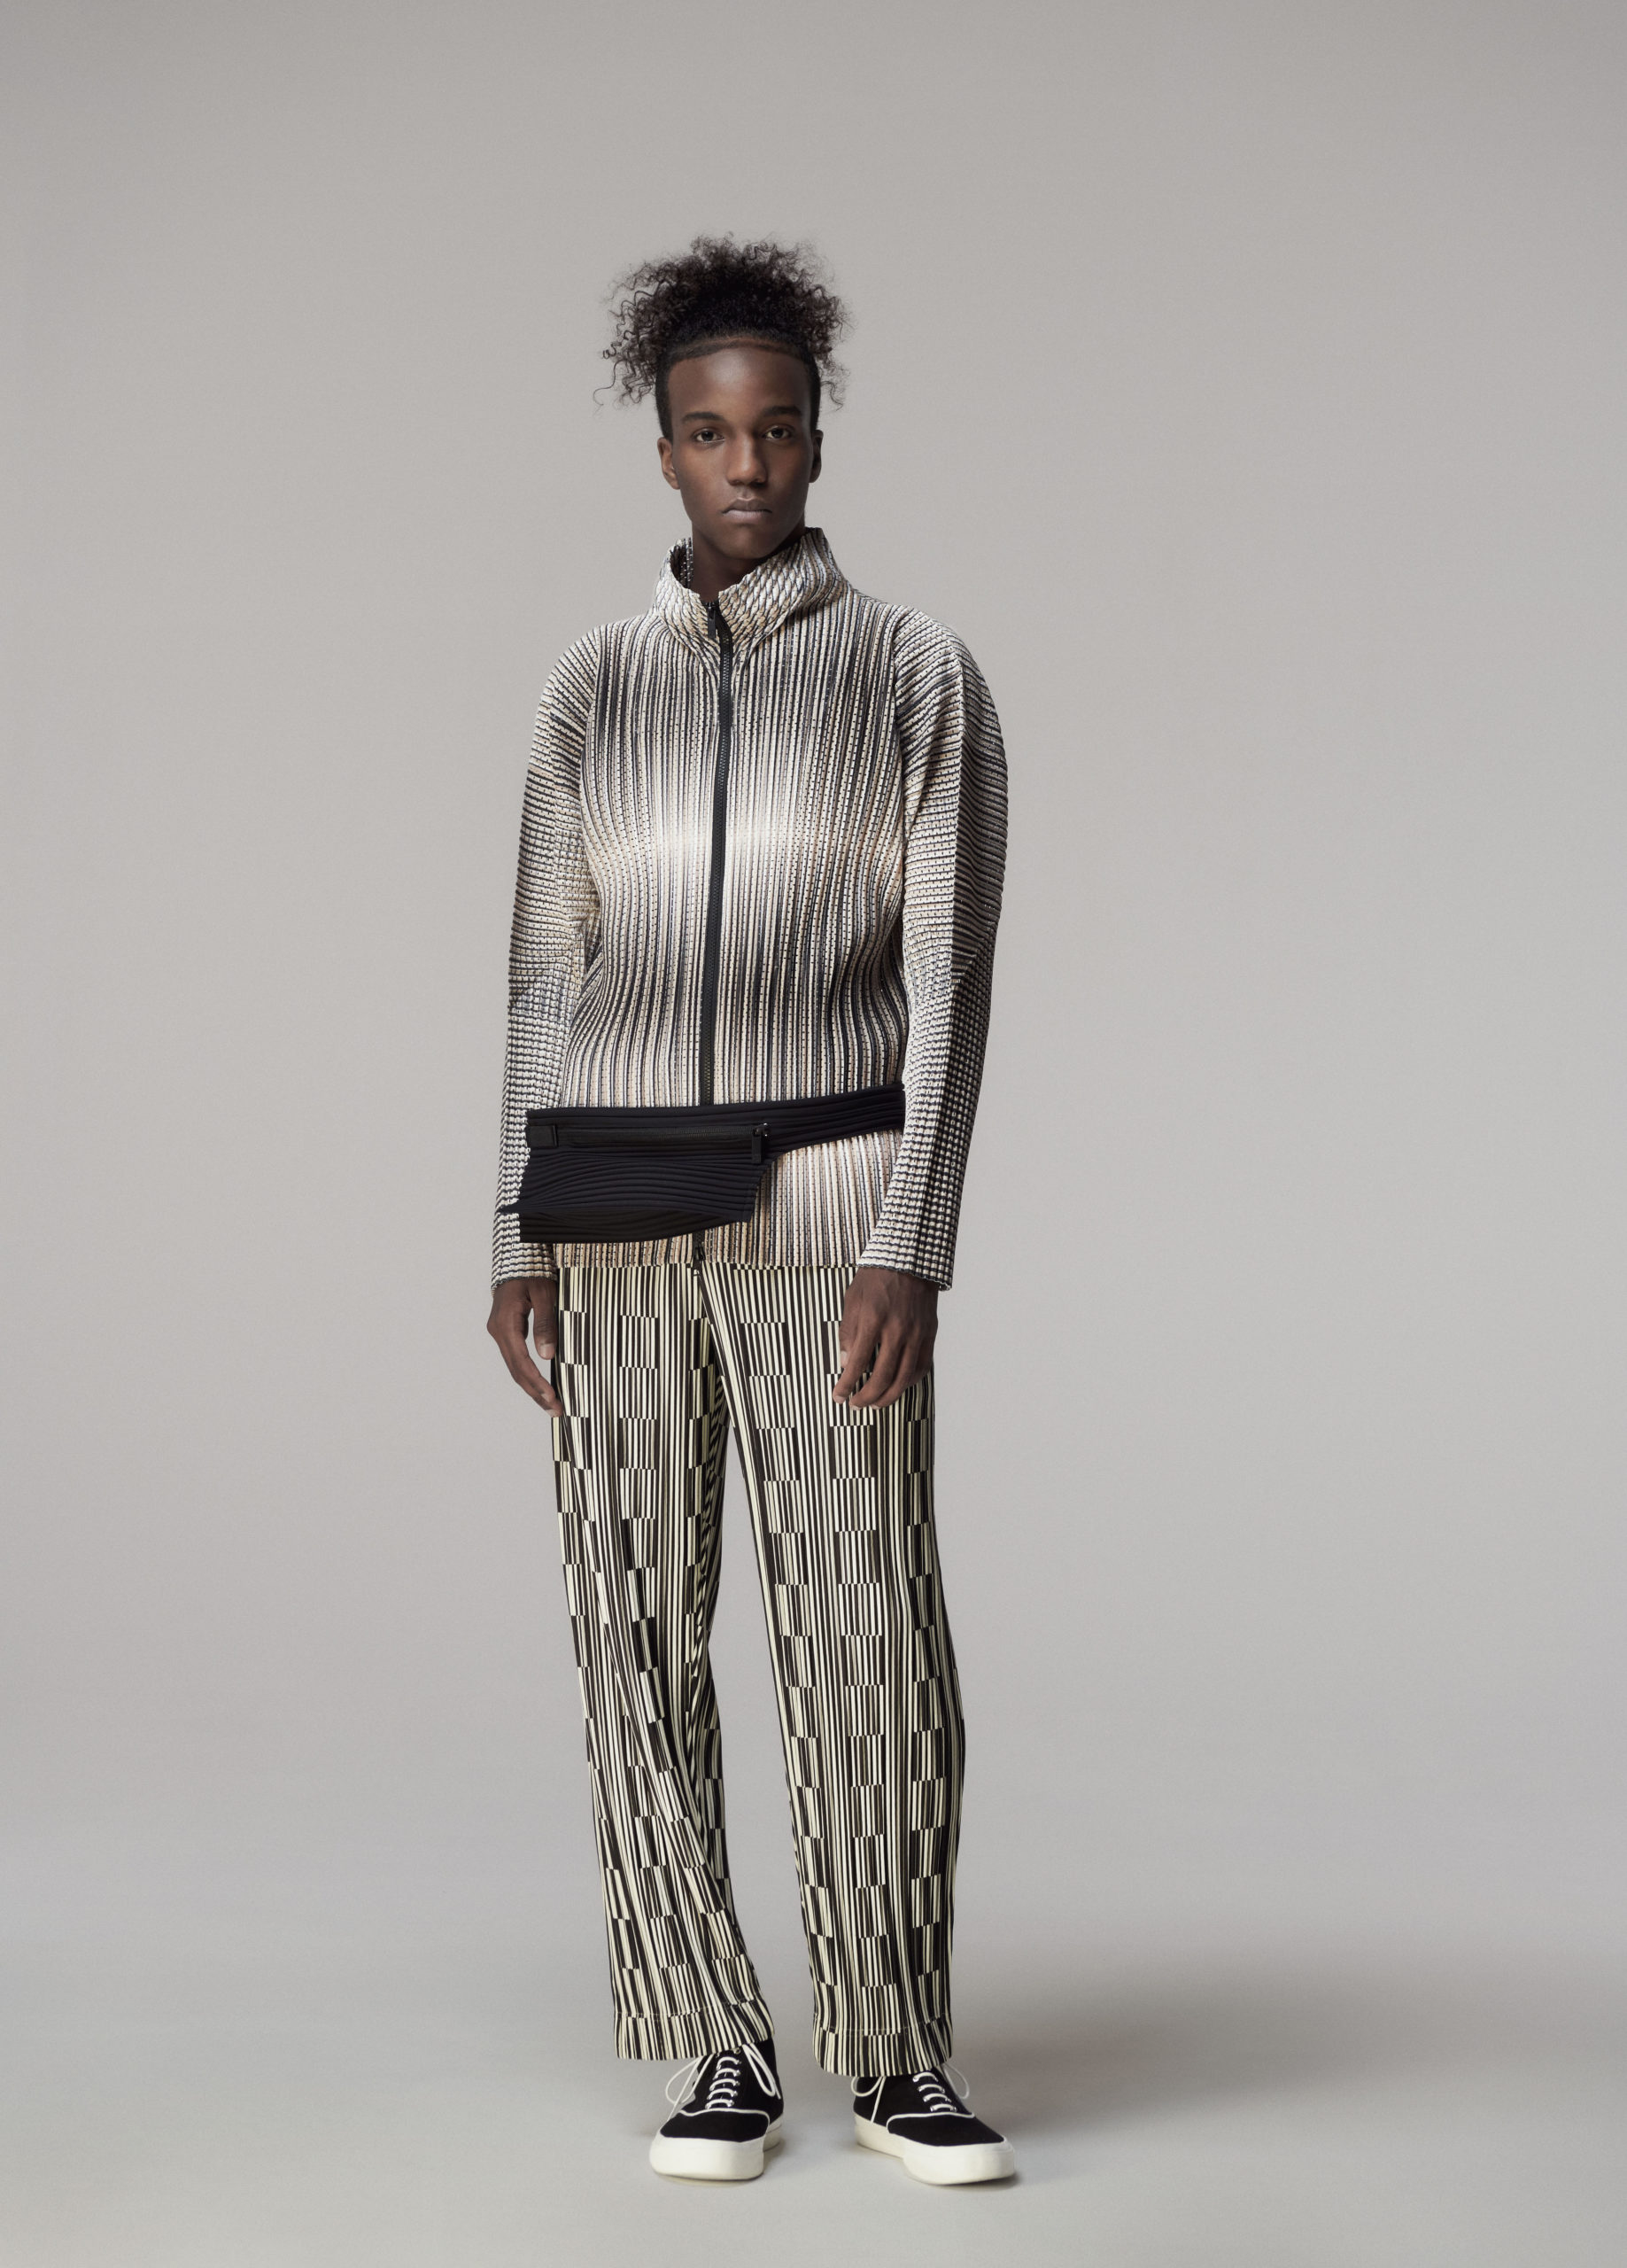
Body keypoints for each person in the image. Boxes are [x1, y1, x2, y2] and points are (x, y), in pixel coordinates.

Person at [486, 237, 1011, 2186]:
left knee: (866, 1627)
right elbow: (545, 972)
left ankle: (896, 2050)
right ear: (662, 451)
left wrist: (911, 1235)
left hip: (823, 1202)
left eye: (777, 429)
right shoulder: (589, 687)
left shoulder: (912, 672)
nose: (747, 463)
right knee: (630, 1621)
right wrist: (512, 1228)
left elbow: (949, 981)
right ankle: (716, 2039)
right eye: (709, 434)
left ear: (816, 441)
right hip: (612, 1209)